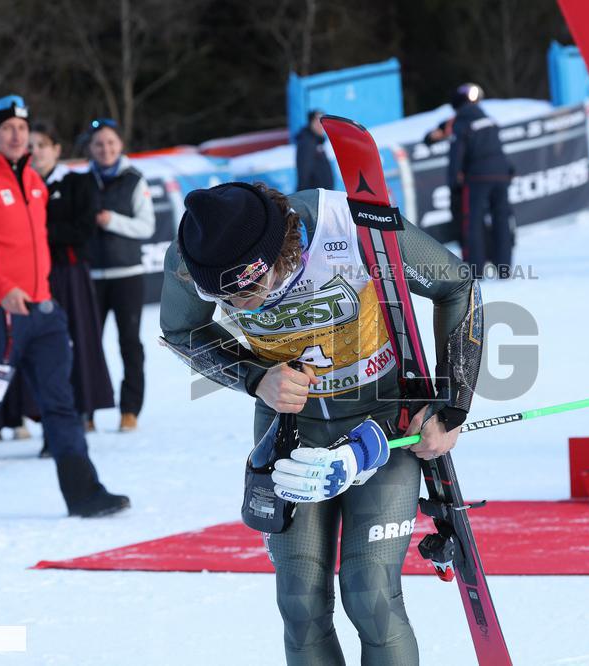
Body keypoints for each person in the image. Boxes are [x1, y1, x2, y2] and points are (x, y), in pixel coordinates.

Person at [161, 182, 483, 665]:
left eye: (250, 288)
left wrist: (452, 403)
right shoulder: (191, 254)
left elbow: (456, 284)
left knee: (370, 594)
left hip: (383, 424)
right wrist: (255, 378)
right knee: (300, 603)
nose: (240, 305)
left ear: (276, 252)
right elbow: (182, 331)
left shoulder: (347, 223)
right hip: (290, 430)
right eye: (222, 296)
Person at [0, 94, 130, 522]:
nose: (18, 135)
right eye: (8, 129)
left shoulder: (35, 182)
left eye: (22, 128)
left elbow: (35, 247)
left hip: (42, 313)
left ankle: (84, 492)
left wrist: (43, 294)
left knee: (61, 403)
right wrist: (2, 288)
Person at [30, 121, 115, 454]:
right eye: (30, 146)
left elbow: (82, 229)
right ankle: (47, 423)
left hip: (70, 274)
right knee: (41, 349)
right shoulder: (21, 185)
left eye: (41, 145)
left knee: (77, 341)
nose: (35, 152)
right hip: (35, 277)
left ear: (55, 149)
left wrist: (41, 233)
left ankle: (80, 413)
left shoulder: (77, 182)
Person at [84, 118, 154, 433]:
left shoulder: (135, 180)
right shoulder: (81, 181)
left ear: (120, 145)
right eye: (99, 144)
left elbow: (146, 227)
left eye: (110, 142)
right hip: (90, 277)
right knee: (87, 346)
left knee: (129, 344)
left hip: (127, 275)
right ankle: (85, 411)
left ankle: (130, 410)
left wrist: (111, 220)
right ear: (90, 148)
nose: (105, 149)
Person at [446, 82, 515, 279]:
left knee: (473, 221)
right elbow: (499, 148)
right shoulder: (488, 119)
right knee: (501, 218)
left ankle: (475, 270)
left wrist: (453, 181)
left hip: (477, 176)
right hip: (501, 174)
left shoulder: (461, 122)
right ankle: (504, 268)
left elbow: (456, 153)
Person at [295, 109, 334, 191]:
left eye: (322, 122)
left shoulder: (317, 141)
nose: (321, 126)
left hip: (322, 195)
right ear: (310, 123)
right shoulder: (307, 143)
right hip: (314, 198)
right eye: (317, 122)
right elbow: (304, 174)